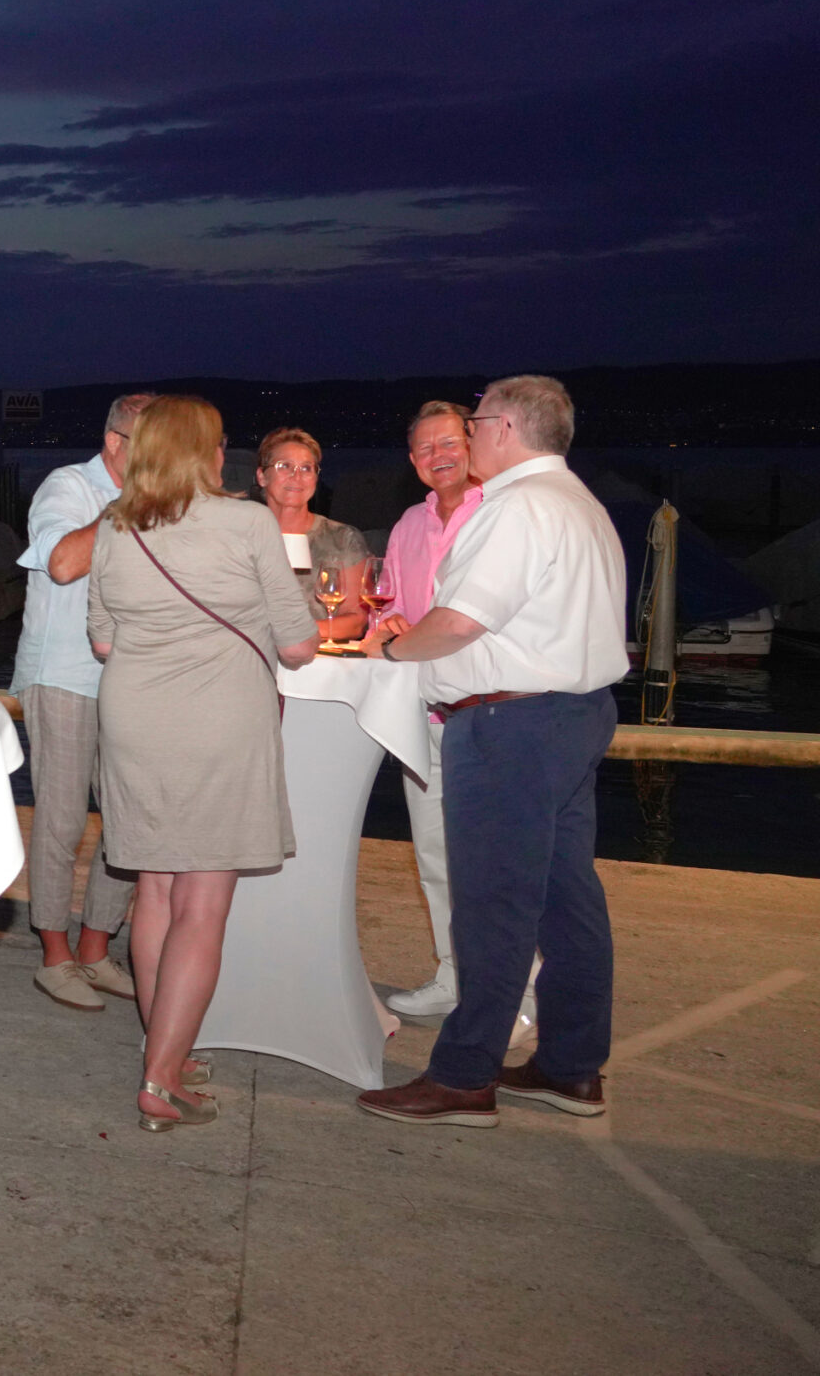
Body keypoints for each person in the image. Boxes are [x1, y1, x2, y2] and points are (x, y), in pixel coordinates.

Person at [358, 376, 625, 1127]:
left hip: (511, 725)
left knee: (492, 903)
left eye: (474, 423)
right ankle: (570, 1066)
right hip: (574, 715)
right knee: (567, 900)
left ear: (505, 427)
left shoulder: (518, 506)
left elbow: (458, 621)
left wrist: (391, 649)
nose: (469, 435)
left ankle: (464, 1075)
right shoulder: (579, 502)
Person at [87, 396, 318, 1131]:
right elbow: (298, 645)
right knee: (203, 904)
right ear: (206, 453)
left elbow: (103, 640)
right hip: (217, 723)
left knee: (156, 891)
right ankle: (161, 1080)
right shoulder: (248, 523)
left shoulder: (115, 525)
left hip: (134, 722)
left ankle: (168, 1051)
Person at [10, 394, 155, 1012]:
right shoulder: (67, 486)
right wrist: (126, 508)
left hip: (134, 678)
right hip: (64, 674)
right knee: (62, 820)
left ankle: (96, 947)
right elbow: (63, 564)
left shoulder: (163, 499)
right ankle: (53, 954)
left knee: (129, 822)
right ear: (116, 442)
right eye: (152, 444)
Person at [377, 401, 482, 1018]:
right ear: (412, 460)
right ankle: (451, 975)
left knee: (493, 862)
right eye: (424, 448)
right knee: (435, 857)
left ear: (473, 442)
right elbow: (388, 605)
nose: (437, 456)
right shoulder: (408, 526)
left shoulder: (497, 513)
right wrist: (388, 621)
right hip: (422, 713)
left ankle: (517, 991)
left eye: (448, 443)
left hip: (487, 714)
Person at [253, 427, 369, 641]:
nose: (296, 476)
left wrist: (295, 634)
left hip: (317, 657)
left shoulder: (342, 539)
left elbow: (356, 621)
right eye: (284, 466)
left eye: (306, 468)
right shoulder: (241, 537)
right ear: (262, 476)